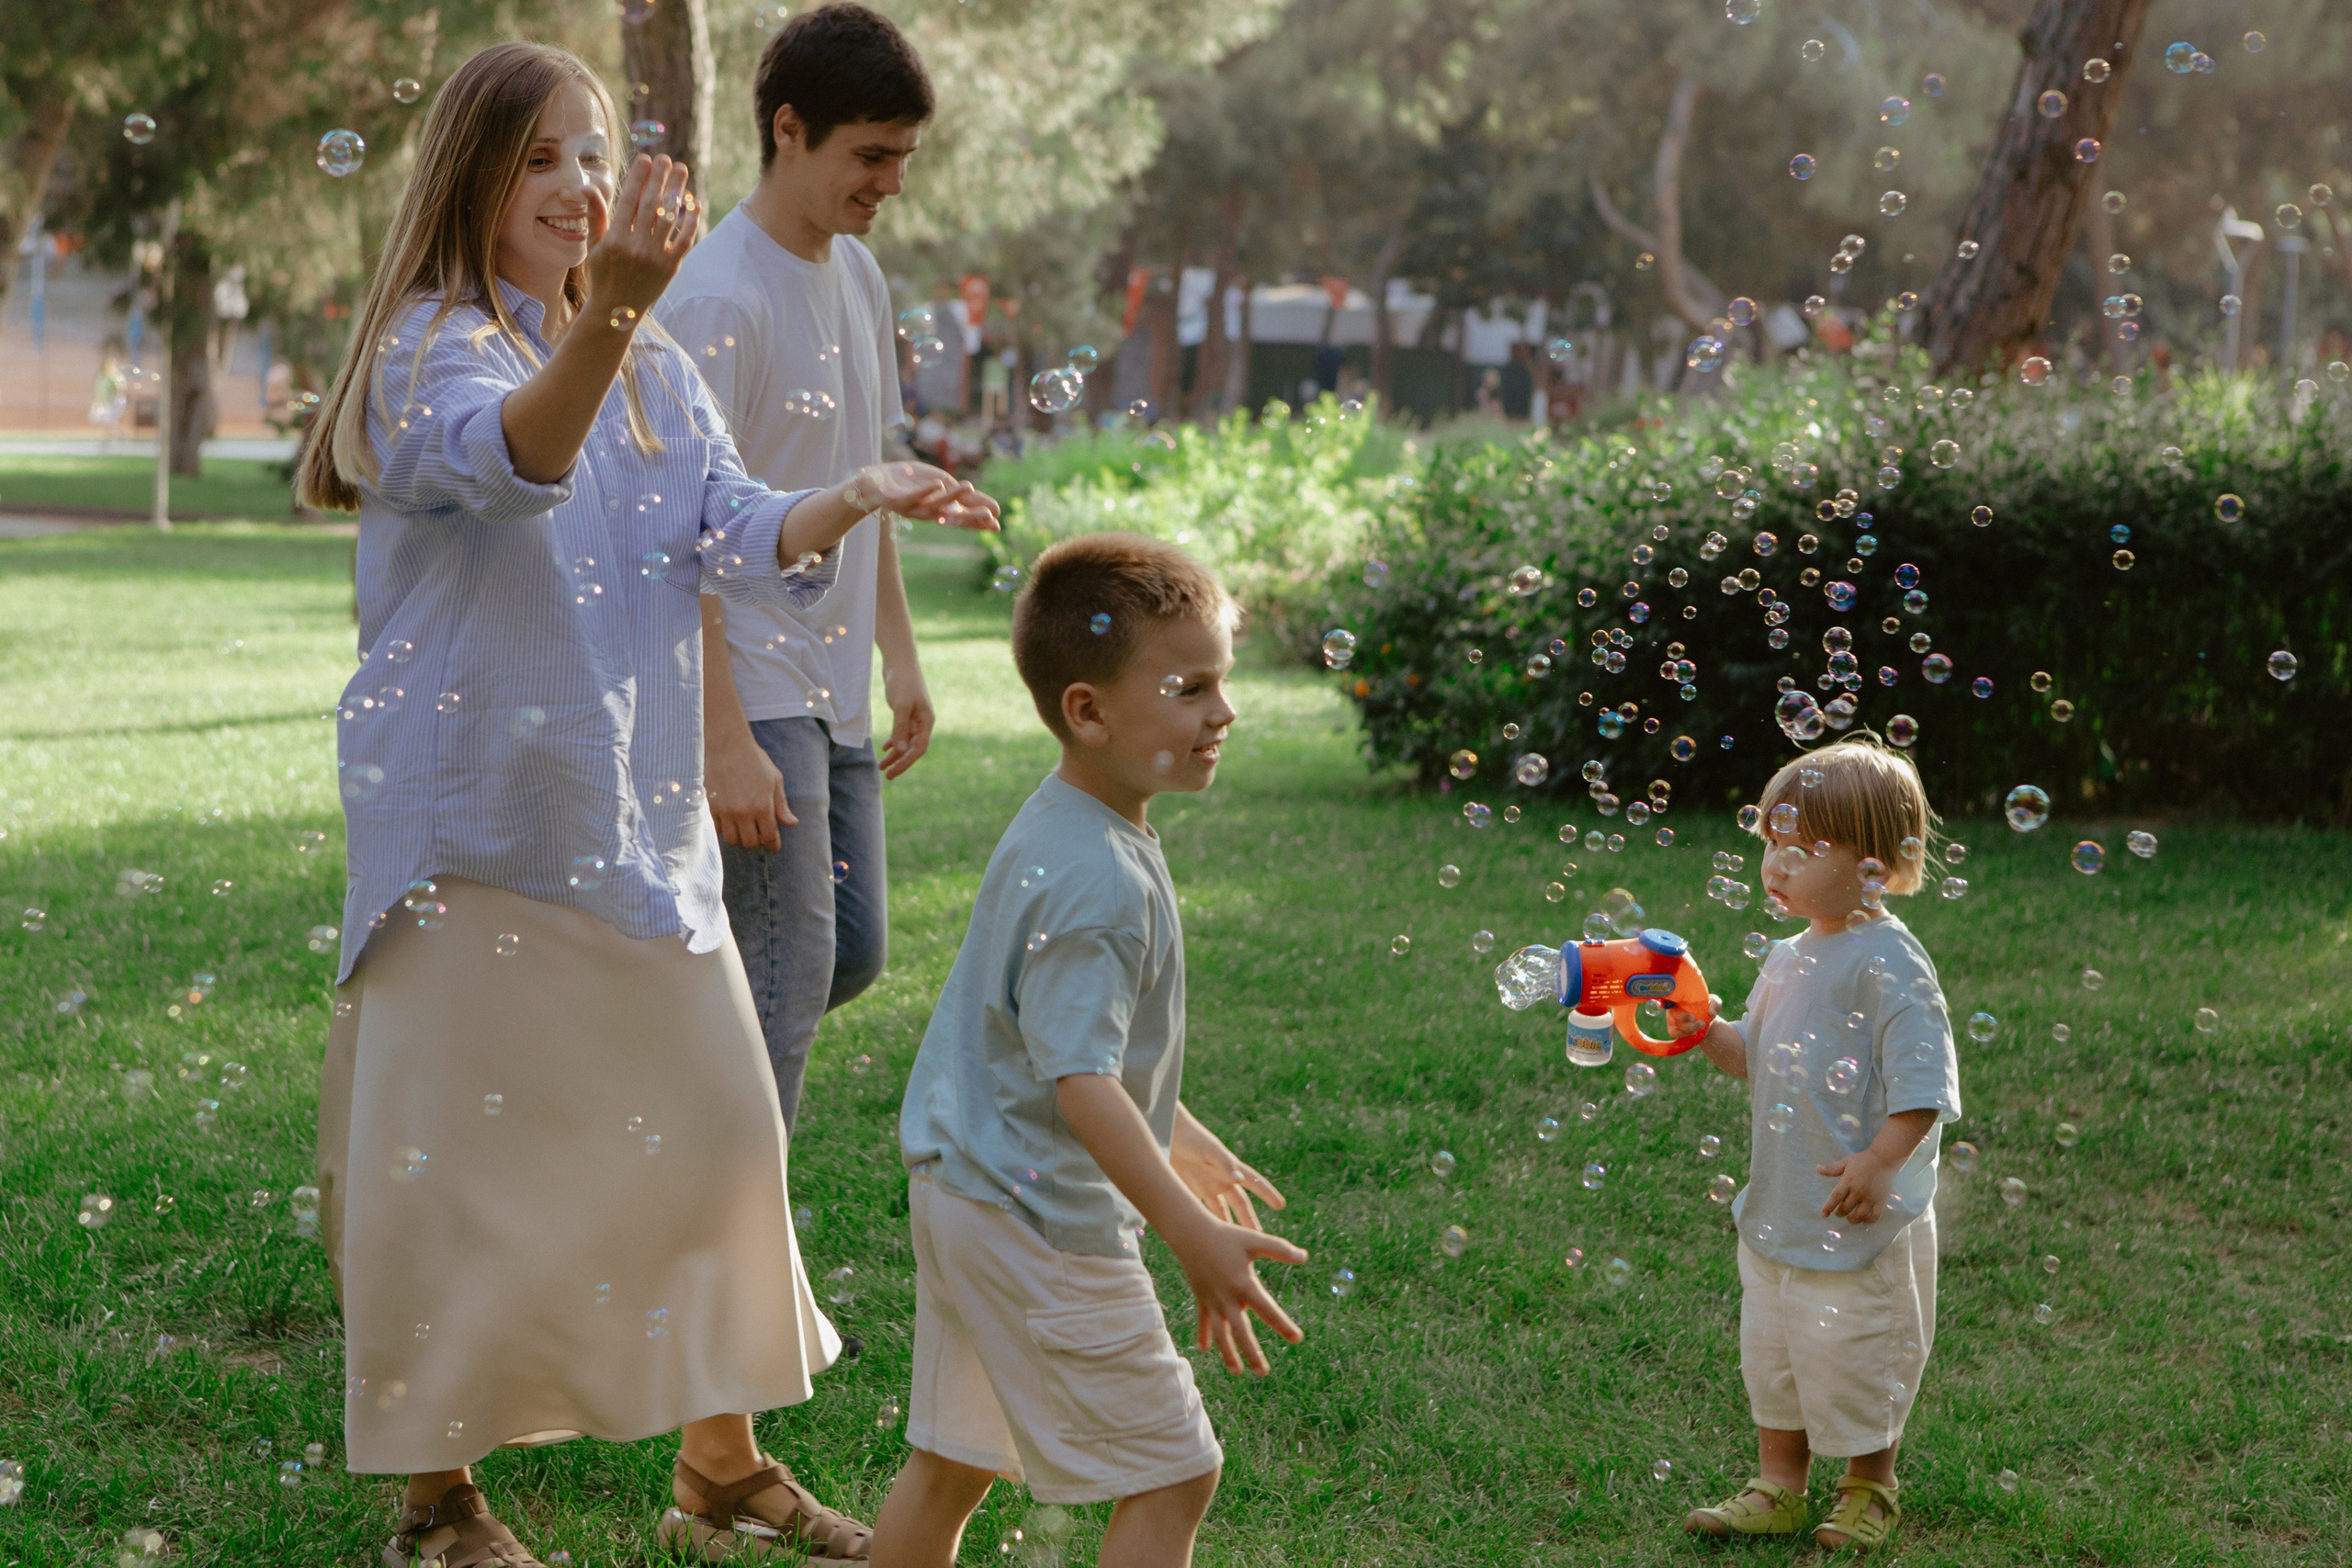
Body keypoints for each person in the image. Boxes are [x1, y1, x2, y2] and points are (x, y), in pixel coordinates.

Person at [292, 41, 996, 1568]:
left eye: (596, 154)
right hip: (473, 831)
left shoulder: (651, 361)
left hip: (631, 829)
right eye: (542, 157)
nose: (579, 184)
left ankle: (722, 1462)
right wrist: (615, 303)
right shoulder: (430, 349)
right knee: (453, 1173)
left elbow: (736, 528)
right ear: (471, 176)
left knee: (721, 1134)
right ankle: (440, 1504)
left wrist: (856, 494)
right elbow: (516, 460)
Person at [869, 534, 1306, 1568]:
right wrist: (1190, 1230)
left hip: (965, 1186)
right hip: (1039, 1222)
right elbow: (1079, 1083)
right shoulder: (1100, 881)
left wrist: (1180, 1132)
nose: (1223, 713)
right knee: (1172, 1472)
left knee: (954, 1459)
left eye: (1222, 684)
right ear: (1089, 709)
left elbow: (1052, 1037)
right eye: (1191, 687)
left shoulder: (1064, 822)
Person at [653, 1, 933, 1134]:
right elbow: (677, 536)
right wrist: (721, 737)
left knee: (844, 955)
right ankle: (742, 1289)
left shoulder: (858, 276)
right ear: (787, 130)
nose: (889, 185)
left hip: (834, 691)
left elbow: (867, 487)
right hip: (751, 684)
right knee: (784, 982)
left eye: (902, 159)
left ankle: (657, 1106)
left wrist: (900, 662)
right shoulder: (716, 296)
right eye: (870, 156)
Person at [1669, 737, 1962, 1552]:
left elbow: (1923, 1087)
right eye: (1771, 842)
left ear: (1876, 864)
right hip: (1781, 1203)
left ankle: (1871, 1484)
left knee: (1858, 1354)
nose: (1777, 863)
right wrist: (1700, 1023)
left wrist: (1880, 1161)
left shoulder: (1891, 962)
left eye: (1803, 849)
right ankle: (1779, 1486)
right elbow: (1750, 1059)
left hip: (1858, 1213)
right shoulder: (1787, 956)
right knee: (1777, 1354)